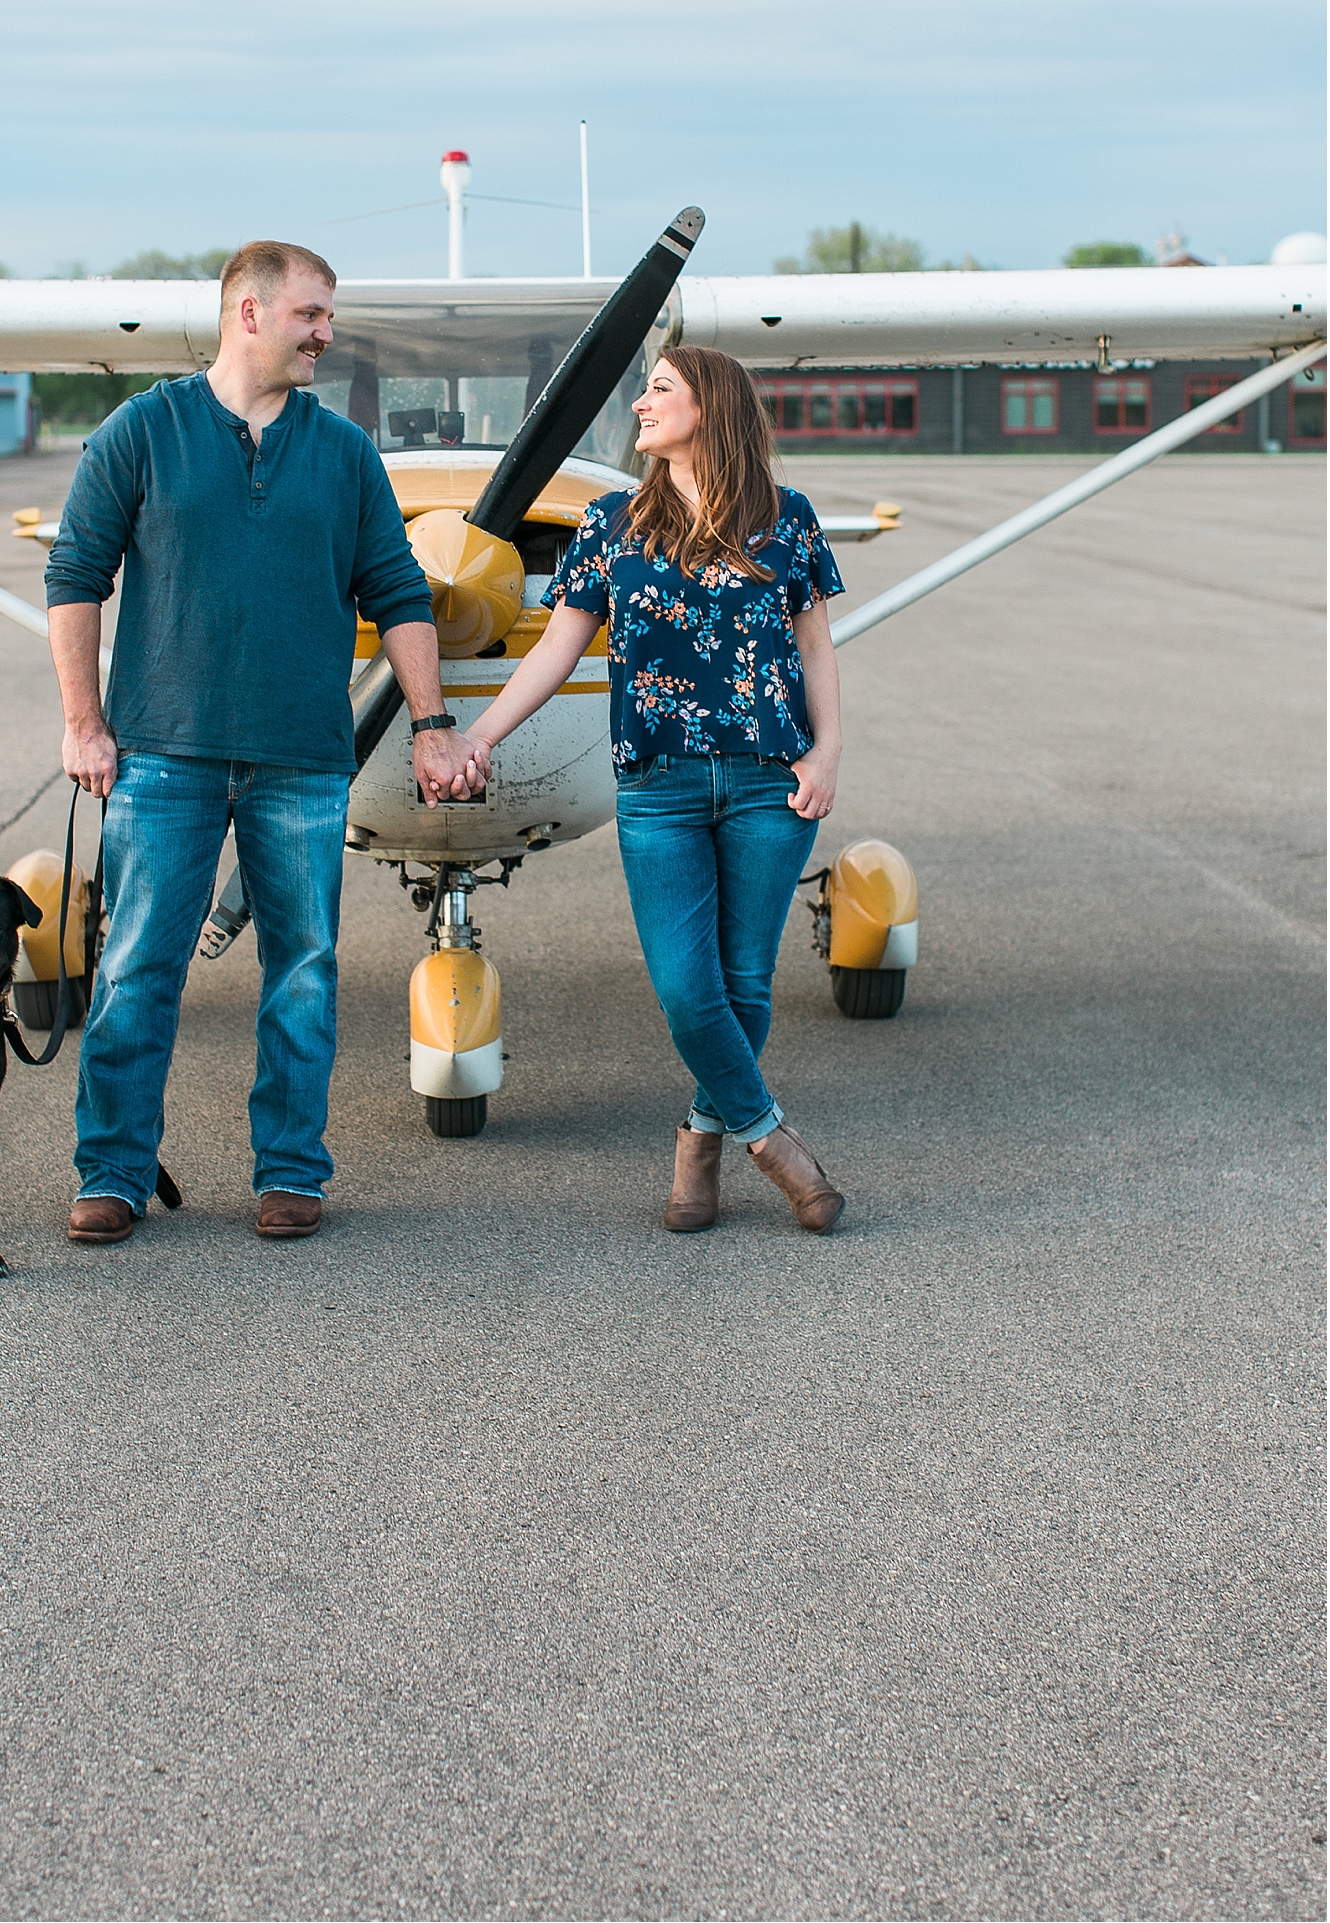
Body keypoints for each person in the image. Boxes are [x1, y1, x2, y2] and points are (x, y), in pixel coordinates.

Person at [44, 240, 483, 1244]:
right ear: (249, 312)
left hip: (302, 755)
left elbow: (400, 592)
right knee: (135, 970)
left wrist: (430, 722)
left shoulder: (344, 454)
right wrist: (82, 722)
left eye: (328, 316)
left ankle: (290, 1170)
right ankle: (110, 1170)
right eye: (312, 315)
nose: (328, 333)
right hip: (163, 752)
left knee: (303, 970)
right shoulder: (141, 432)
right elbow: (75, 577)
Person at [459, 345, 848, 1235]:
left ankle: (699, 1145)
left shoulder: (789, 520)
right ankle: (773, 1141)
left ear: (710, 404)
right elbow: (556, 649)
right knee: (685, 987)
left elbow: (816, 647)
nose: (639, 404)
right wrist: (477, 735)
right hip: (658, 785)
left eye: (660, 388)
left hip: (767, 778)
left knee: (745, 983)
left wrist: (827, 753)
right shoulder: (611, 522)